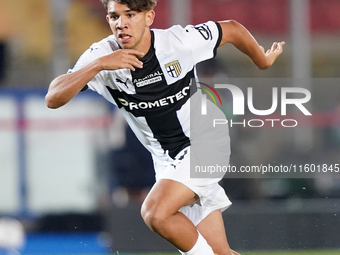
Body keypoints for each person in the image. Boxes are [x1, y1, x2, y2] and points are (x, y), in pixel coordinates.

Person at [45, 0, 285, 254]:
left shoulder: (178, 43)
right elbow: (53, 98)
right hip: (166, 160)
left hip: (204, 141)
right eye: (114, 17)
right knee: (219, 251)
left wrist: (262, 61)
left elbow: (232, 29)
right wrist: (99, 65)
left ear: (149, 17)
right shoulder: (100, 56)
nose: (122, 23)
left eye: (131, 15)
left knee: (155, 213)